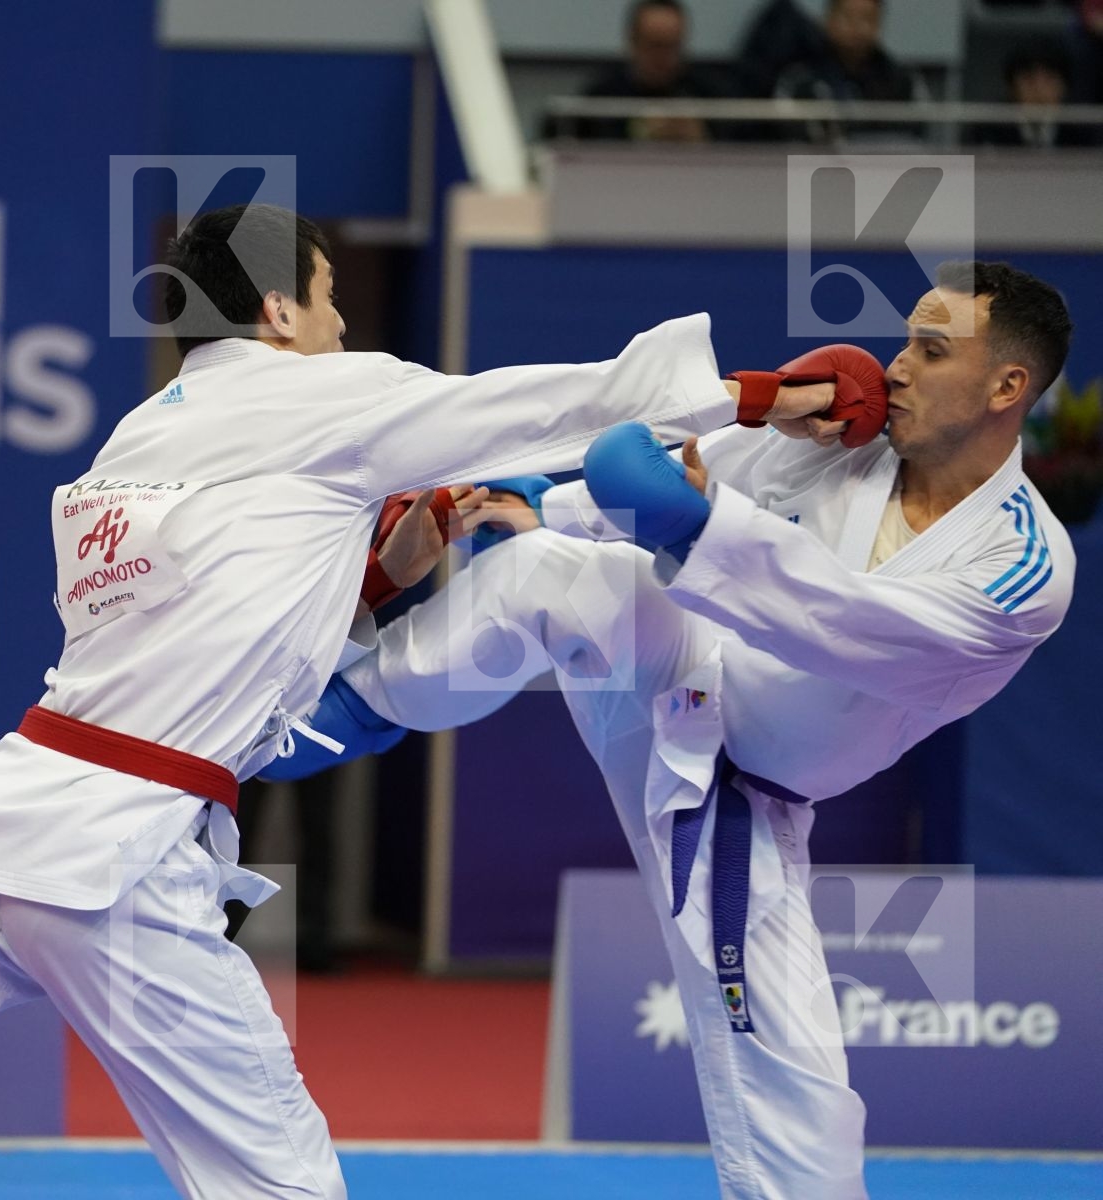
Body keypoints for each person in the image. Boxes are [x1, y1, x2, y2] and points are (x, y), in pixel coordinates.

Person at [0, 202, 851, 1200]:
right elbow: (550, 406)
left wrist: (374, 570)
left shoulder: (129, 447)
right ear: (277, 309)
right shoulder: (322, 394)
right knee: (276, 1175)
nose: (343, 316)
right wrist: (752, 396)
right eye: (327, 294)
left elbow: (200, 627)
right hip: (117, 865)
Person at [288, 262, 1075, 1198]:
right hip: (673, 670)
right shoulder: (847, 447)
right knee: (553, 573)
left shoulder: (1025, 566)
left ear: (1007, 388)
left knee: (797, 1093)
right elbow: (673, 478)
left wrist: (702, 525)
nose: (895, 367)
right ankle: (327, 716)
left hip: (746, 786)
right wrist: (550, 503)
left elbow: (853, 630)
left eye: (930, 350)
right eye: (904, 341)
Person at [554, 0, 726, 143]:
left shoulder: (708, 96)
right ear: (633, 43)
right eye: (655, 45)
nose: (663, 57)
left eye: (673, 46)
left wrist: (701, 139)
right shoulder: (601, 98)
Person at [774, 0, 929, 143]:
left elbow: (915, 133)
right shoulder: (799, 79)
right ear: (828, 19)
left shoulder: (902, 80)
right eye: (848, 18)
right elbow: (788, 134)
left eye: (868, 19)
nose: (858, 29)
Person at [969, 42, 1096, 149]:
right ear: (1012, 86)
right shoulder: (987, 128)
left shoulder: (1083, 132)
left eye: (1049, 80)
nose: (1039, 90)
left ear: (1065, 86)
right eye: (1029, 80)